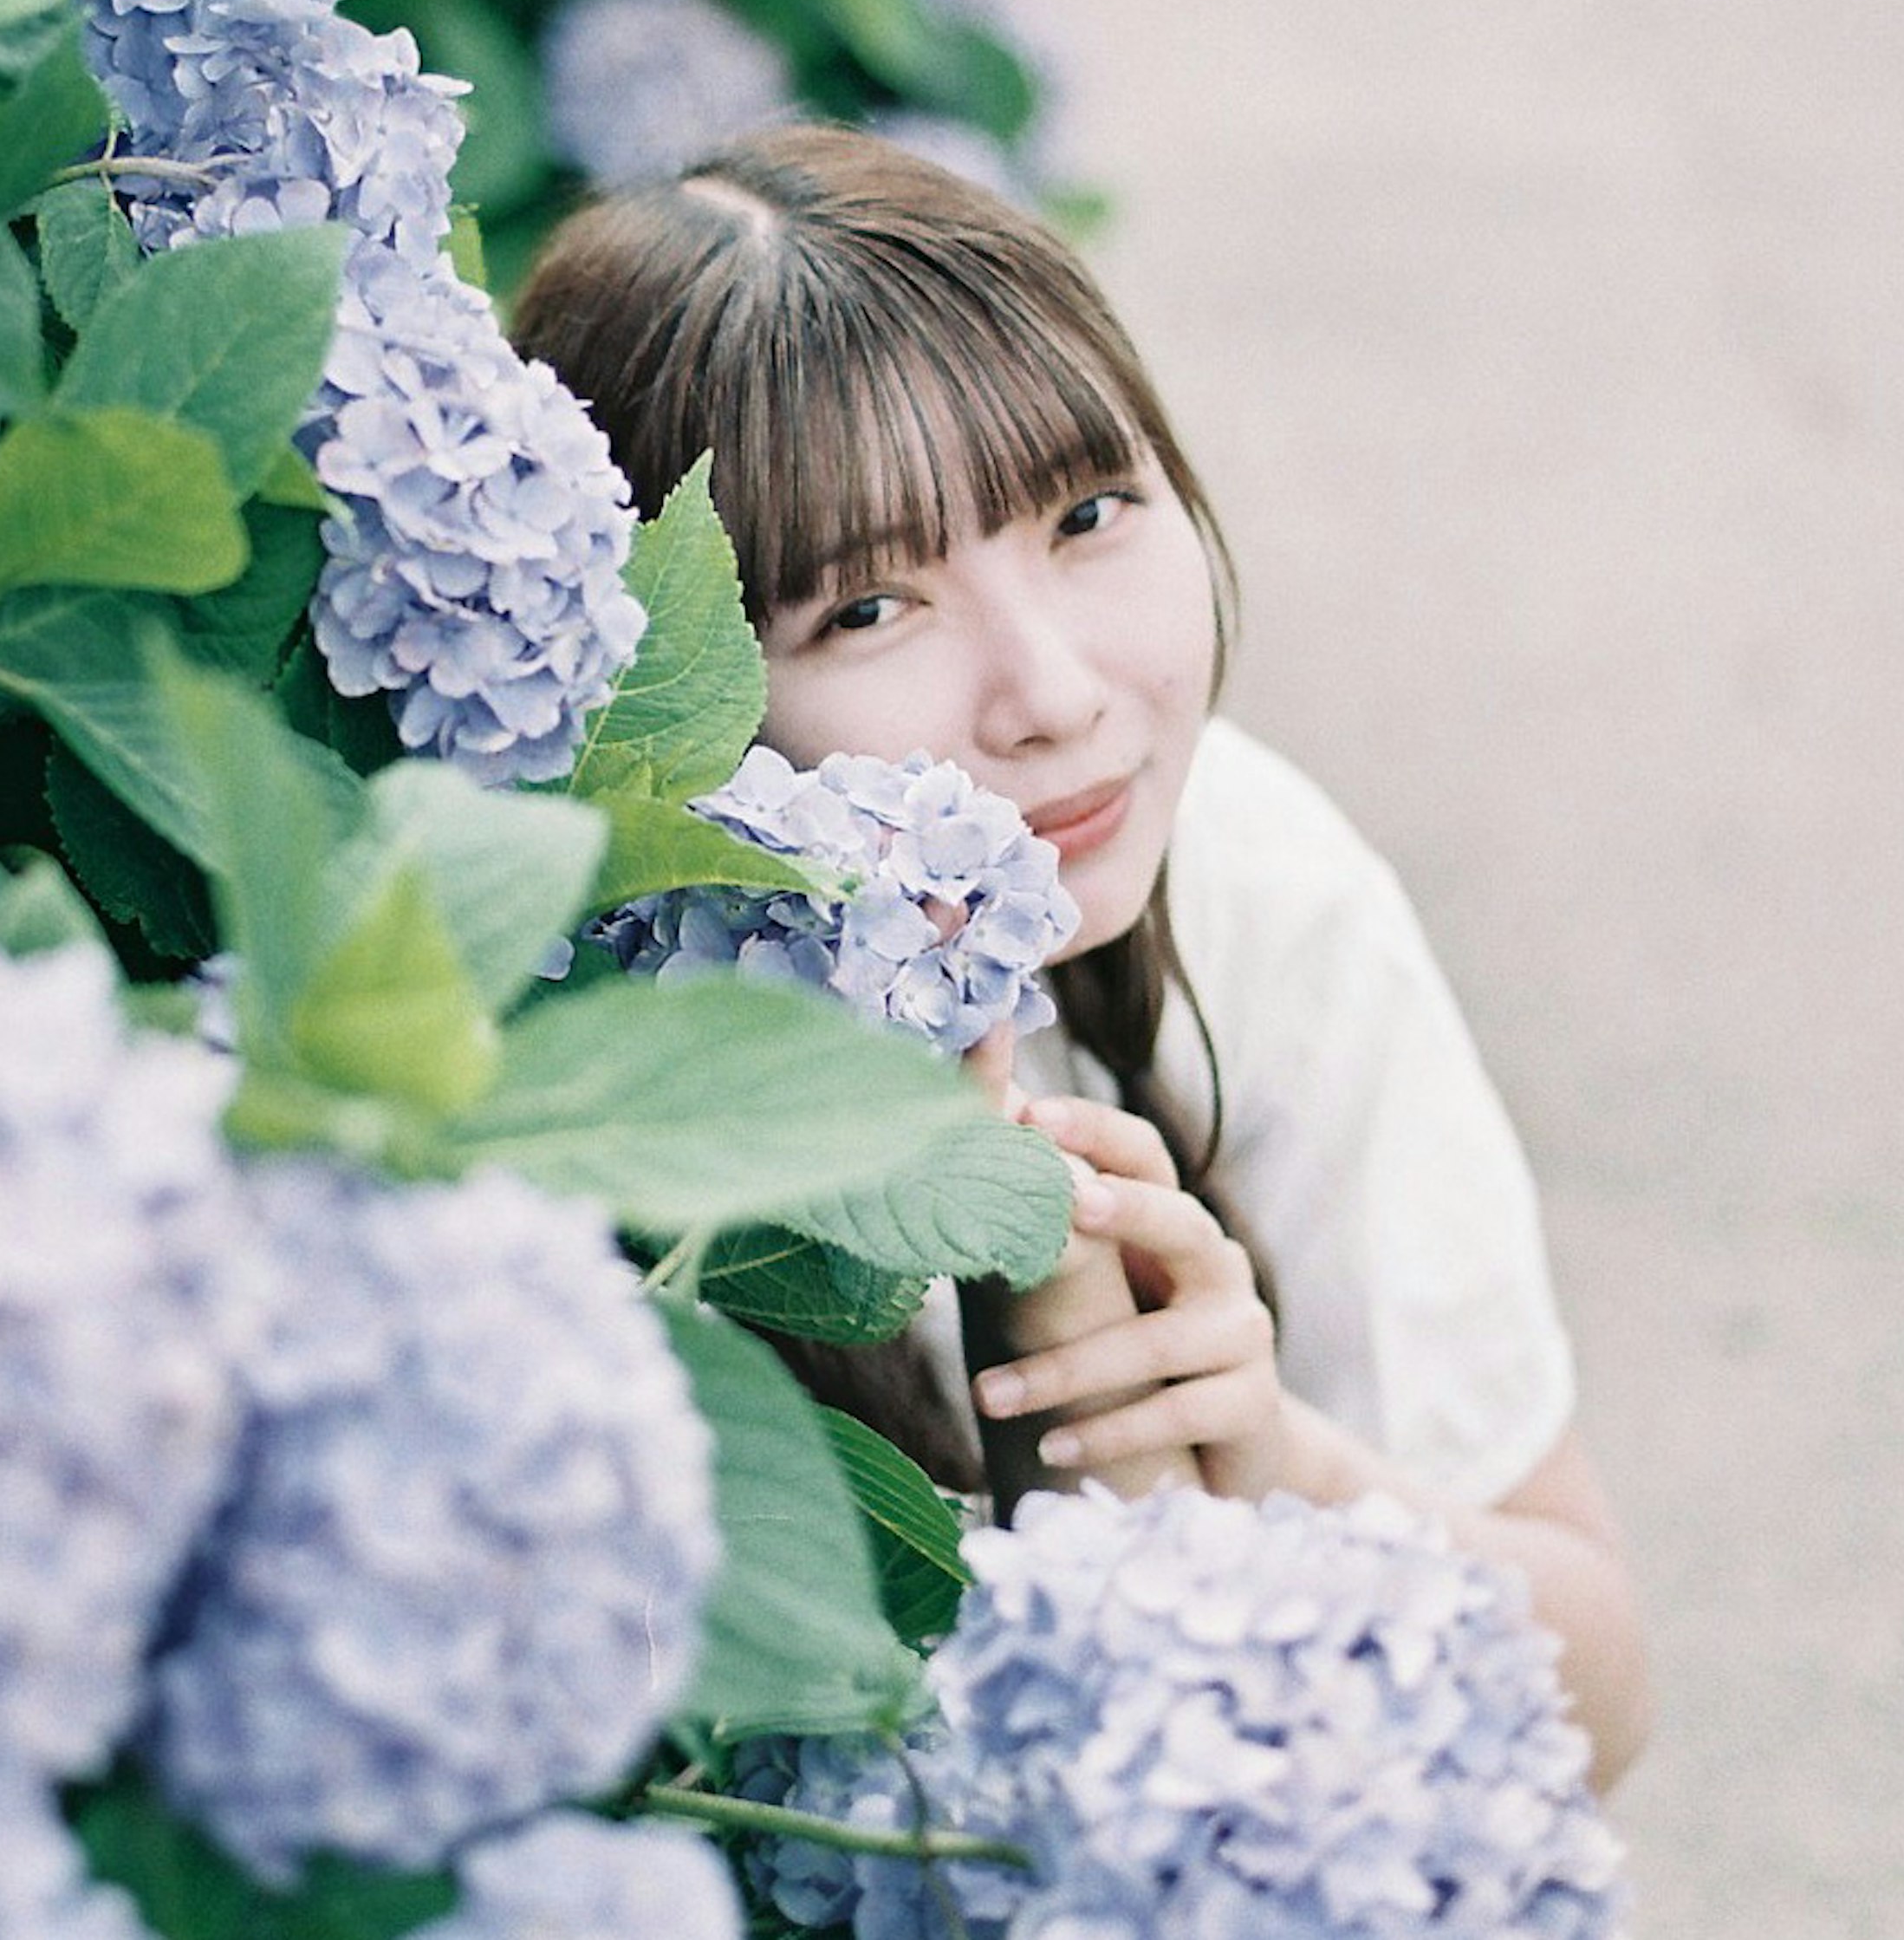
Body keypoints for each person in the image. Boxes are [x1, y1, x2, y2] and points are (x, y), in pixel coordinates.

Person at [510, 122, 1653, 1788]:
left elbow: (1600, 1697)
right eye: (866, 611)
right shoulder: (573, 1081)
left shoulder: (1256, 889)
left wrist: (1275, 1464)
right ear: (658, 695)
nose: (1050, 690)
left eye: (1091, 511)